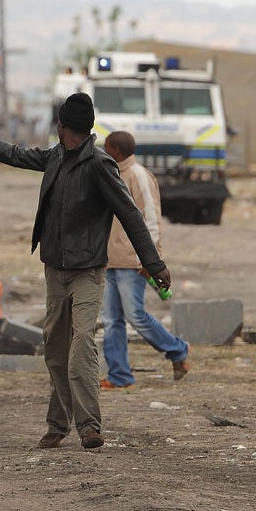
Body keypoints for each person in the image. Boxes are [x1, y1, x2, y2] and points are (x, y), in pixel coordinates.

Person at [0, 94, 172, 450]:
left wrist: (154, 264)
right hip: (55, 270)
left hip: (88, 271)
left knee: (81, 348)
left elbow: (130, 214)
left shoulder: (100, 165)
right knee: (55, 350)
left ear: (62, 126)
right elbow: (14, 154)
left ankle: (89, 426)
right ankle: (58, 424)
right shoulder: (56, 157)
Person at [100, 131, 190, 388]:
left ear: (116, 150)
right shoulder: (110, 174)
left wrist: (148, 261)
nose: (104, 151)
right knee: (111, 320)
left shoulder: (138, 175)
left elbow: (152, 221)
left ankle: (178, 349)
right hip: (110, 260)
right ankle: (119, 376)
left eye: (106, 147)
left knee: (135, 316)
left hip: (133, 261)